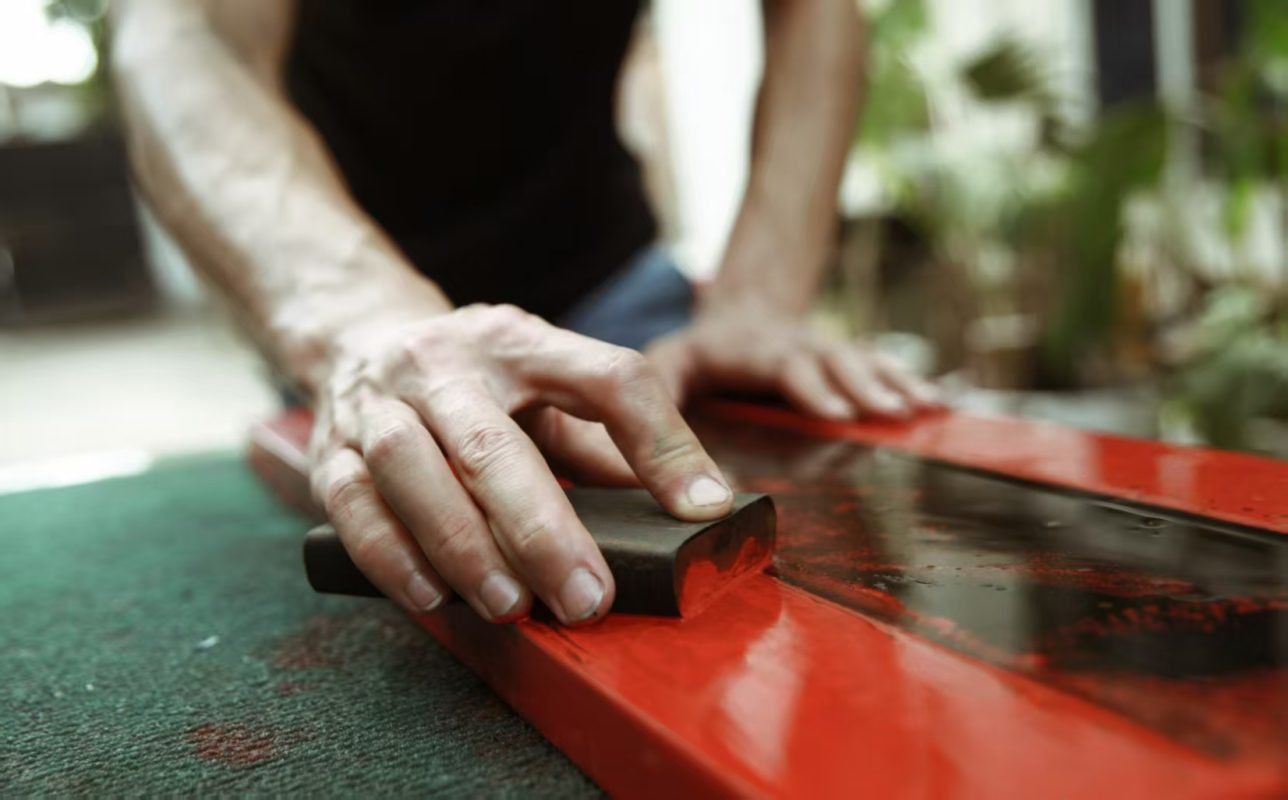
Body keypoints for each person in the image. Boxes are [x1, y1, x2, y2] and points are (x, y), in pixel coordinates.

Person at [110, 0, 939, 628]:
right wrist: (358, 321)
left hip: (608, 289)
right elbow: (187, 37)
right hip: (356, 288)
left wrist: (759, 298)